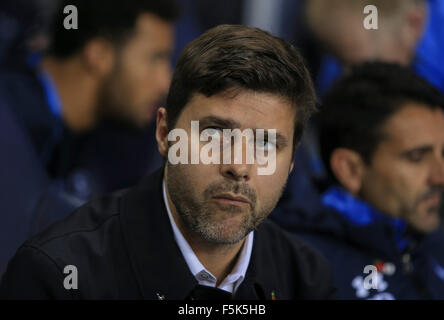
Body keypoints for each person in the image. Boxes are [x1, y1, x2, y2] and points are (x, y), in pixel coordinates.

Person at [0, 24, 335, 300]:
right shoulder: (56, 276)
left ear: (292, 161)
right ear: (164, 133)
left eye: (265, 143)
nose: (240, 166)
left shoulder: (307, 280)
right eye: (216, 134)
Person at [0, 0, 178, 277]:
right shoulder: (11, 130)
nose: (164, 82)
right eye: (154, 58)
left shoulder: (83, 149)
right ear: (99, 55)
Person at [283, 62, 444, 299]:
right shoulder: (295, 269)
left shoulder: (431, 238)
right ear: (351, 170)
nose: (439, 176)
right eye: (416, 157)